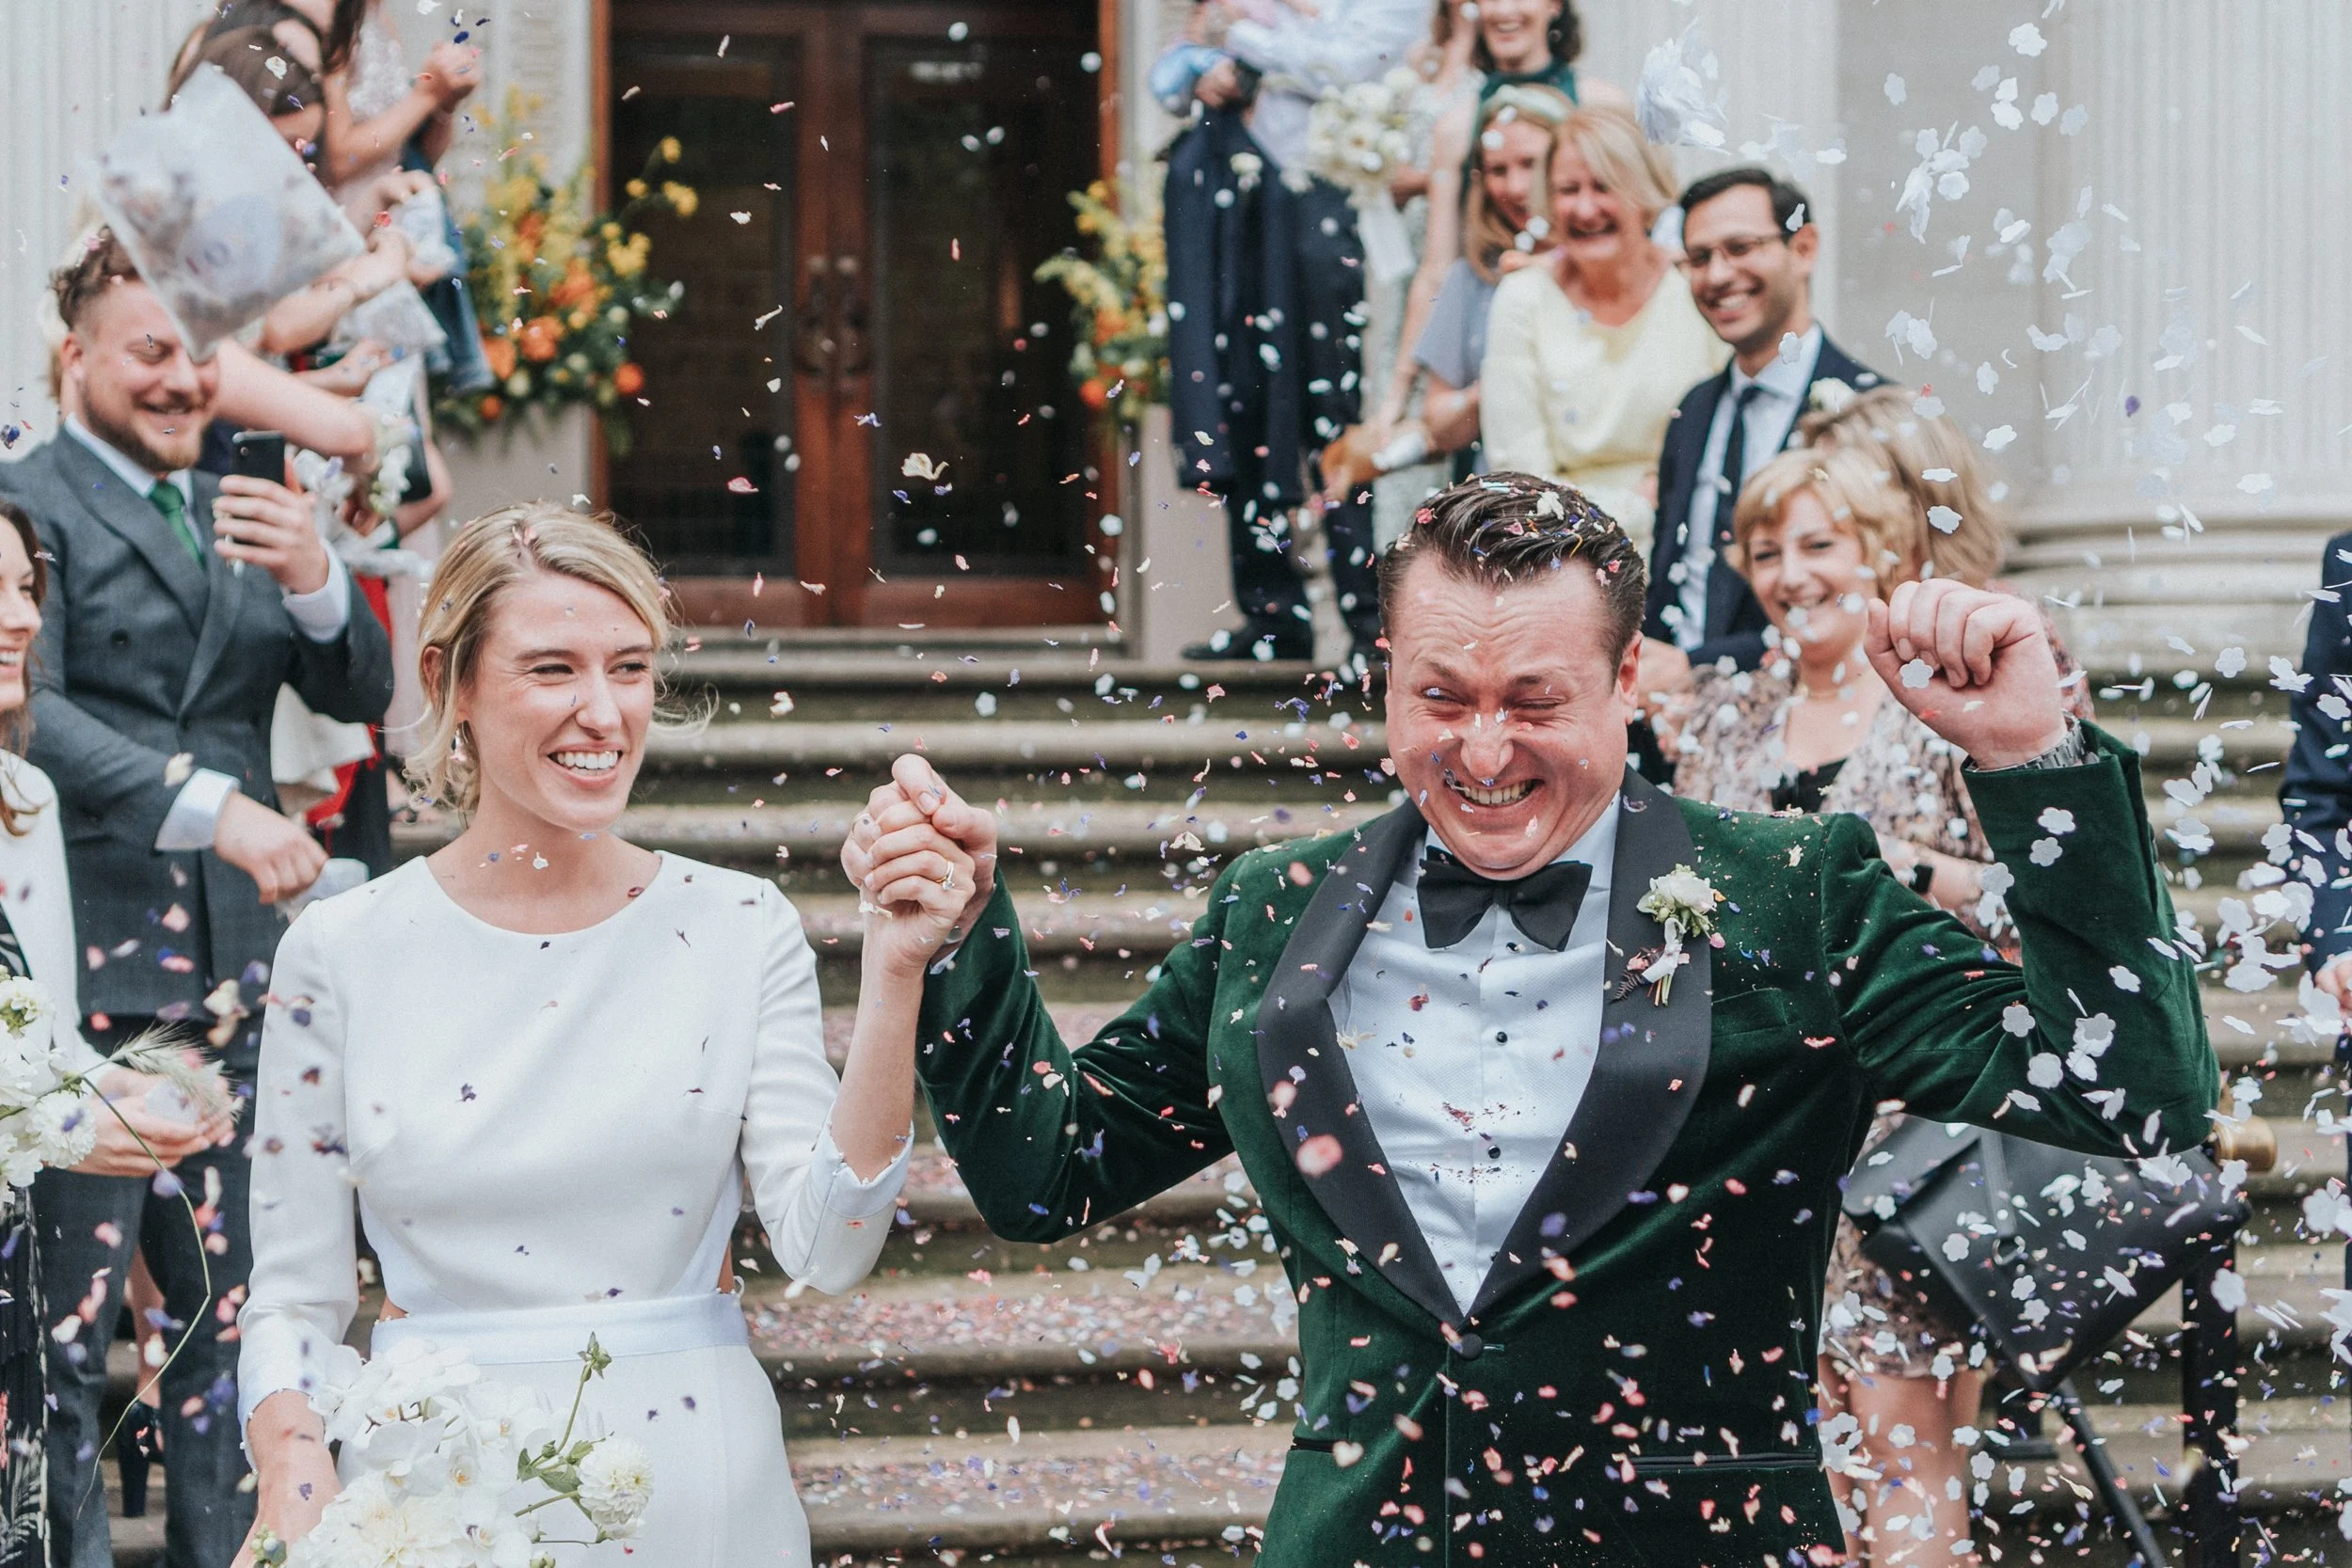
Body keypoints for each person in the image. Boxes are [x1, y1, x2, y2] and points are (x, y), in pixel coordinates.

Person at [845, 471, 2215, 1565]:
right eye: (1441, 696)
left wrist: (2036, 762)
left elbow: (2134, 1095)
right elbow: (1048, 1173)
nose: (1485, 751)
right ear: (1385, 675)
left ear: (1629, 685)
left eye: (1535, 701)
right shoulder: (1273, 907)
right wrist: (954, 940)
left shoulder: (1800, 890)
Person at [234, 506, 933, 1566]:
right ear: (450, 680)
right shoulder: (340, 949)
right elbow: (293, 1292)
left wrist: (893, 972)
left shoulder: (741, 926)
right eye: (552, 668)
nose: (602, 712)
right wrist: (294, 1485)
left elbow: (831, 1249)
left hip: (698, 1491)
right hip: (430, 1499)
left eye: (631, 668)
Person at [0, 230, 395, 1568]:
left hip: (244, 977)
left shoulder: (247, 490)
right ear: (78, 358)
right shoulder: (29, 503)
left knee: (236, 1325)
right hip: (90, 976)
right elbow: (26, 708)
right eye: (151, 352)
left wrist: (317, 577)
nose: (182, 380)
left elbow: (358, 692)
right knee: (67, 1332)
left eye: (200, 354)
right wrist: (206, 803)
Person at [0, 501, 238, 1568]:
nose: (19, 623)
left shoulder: (27, 797)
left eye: (25, 590)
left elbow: (42, 1035)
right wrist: (51, 1119)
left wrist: (137, 1088)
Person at [1157, 0, 1426, 666]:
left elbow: (1343, 65)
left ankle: (1370, 623)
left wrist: (1240, 32)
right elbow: (1165, 80)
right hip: (1241, 218)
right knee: (1244, 401)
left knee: (1333, 412)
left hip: (1326, 221)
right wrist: (1203, 65)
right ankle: (1273, 613)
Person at [1640, 166, 1883, 679]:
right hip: (1666, 727)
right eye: (1699, 258)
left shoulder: (1867, 409)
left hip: (1802, 710)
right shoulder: (1692, 412)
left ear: (1804, 249)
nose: (1717, 275)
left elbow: (1865, 599)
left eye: (1740, 247)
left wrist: (1692, 667)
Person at [1477, 107, 1725, 554]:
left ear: (1645, 193)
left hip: (1692, 543)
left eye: (1604, 186)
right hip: (1565, 555)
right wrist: (1637, 506)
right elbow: (1521, 483)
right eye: (1568, 190)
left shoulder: (1694, 289)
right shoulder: (1522, 299)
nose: (1585, 208)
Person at [1320, 84, 1570, 514]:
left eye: (1531, 163)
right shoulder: (1471, 279)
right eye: (1497, 169)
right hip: (1509, 512)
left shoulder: (1611, 260)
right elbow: (1441, 427)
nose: (1515, 187)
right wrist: (1495, 383)